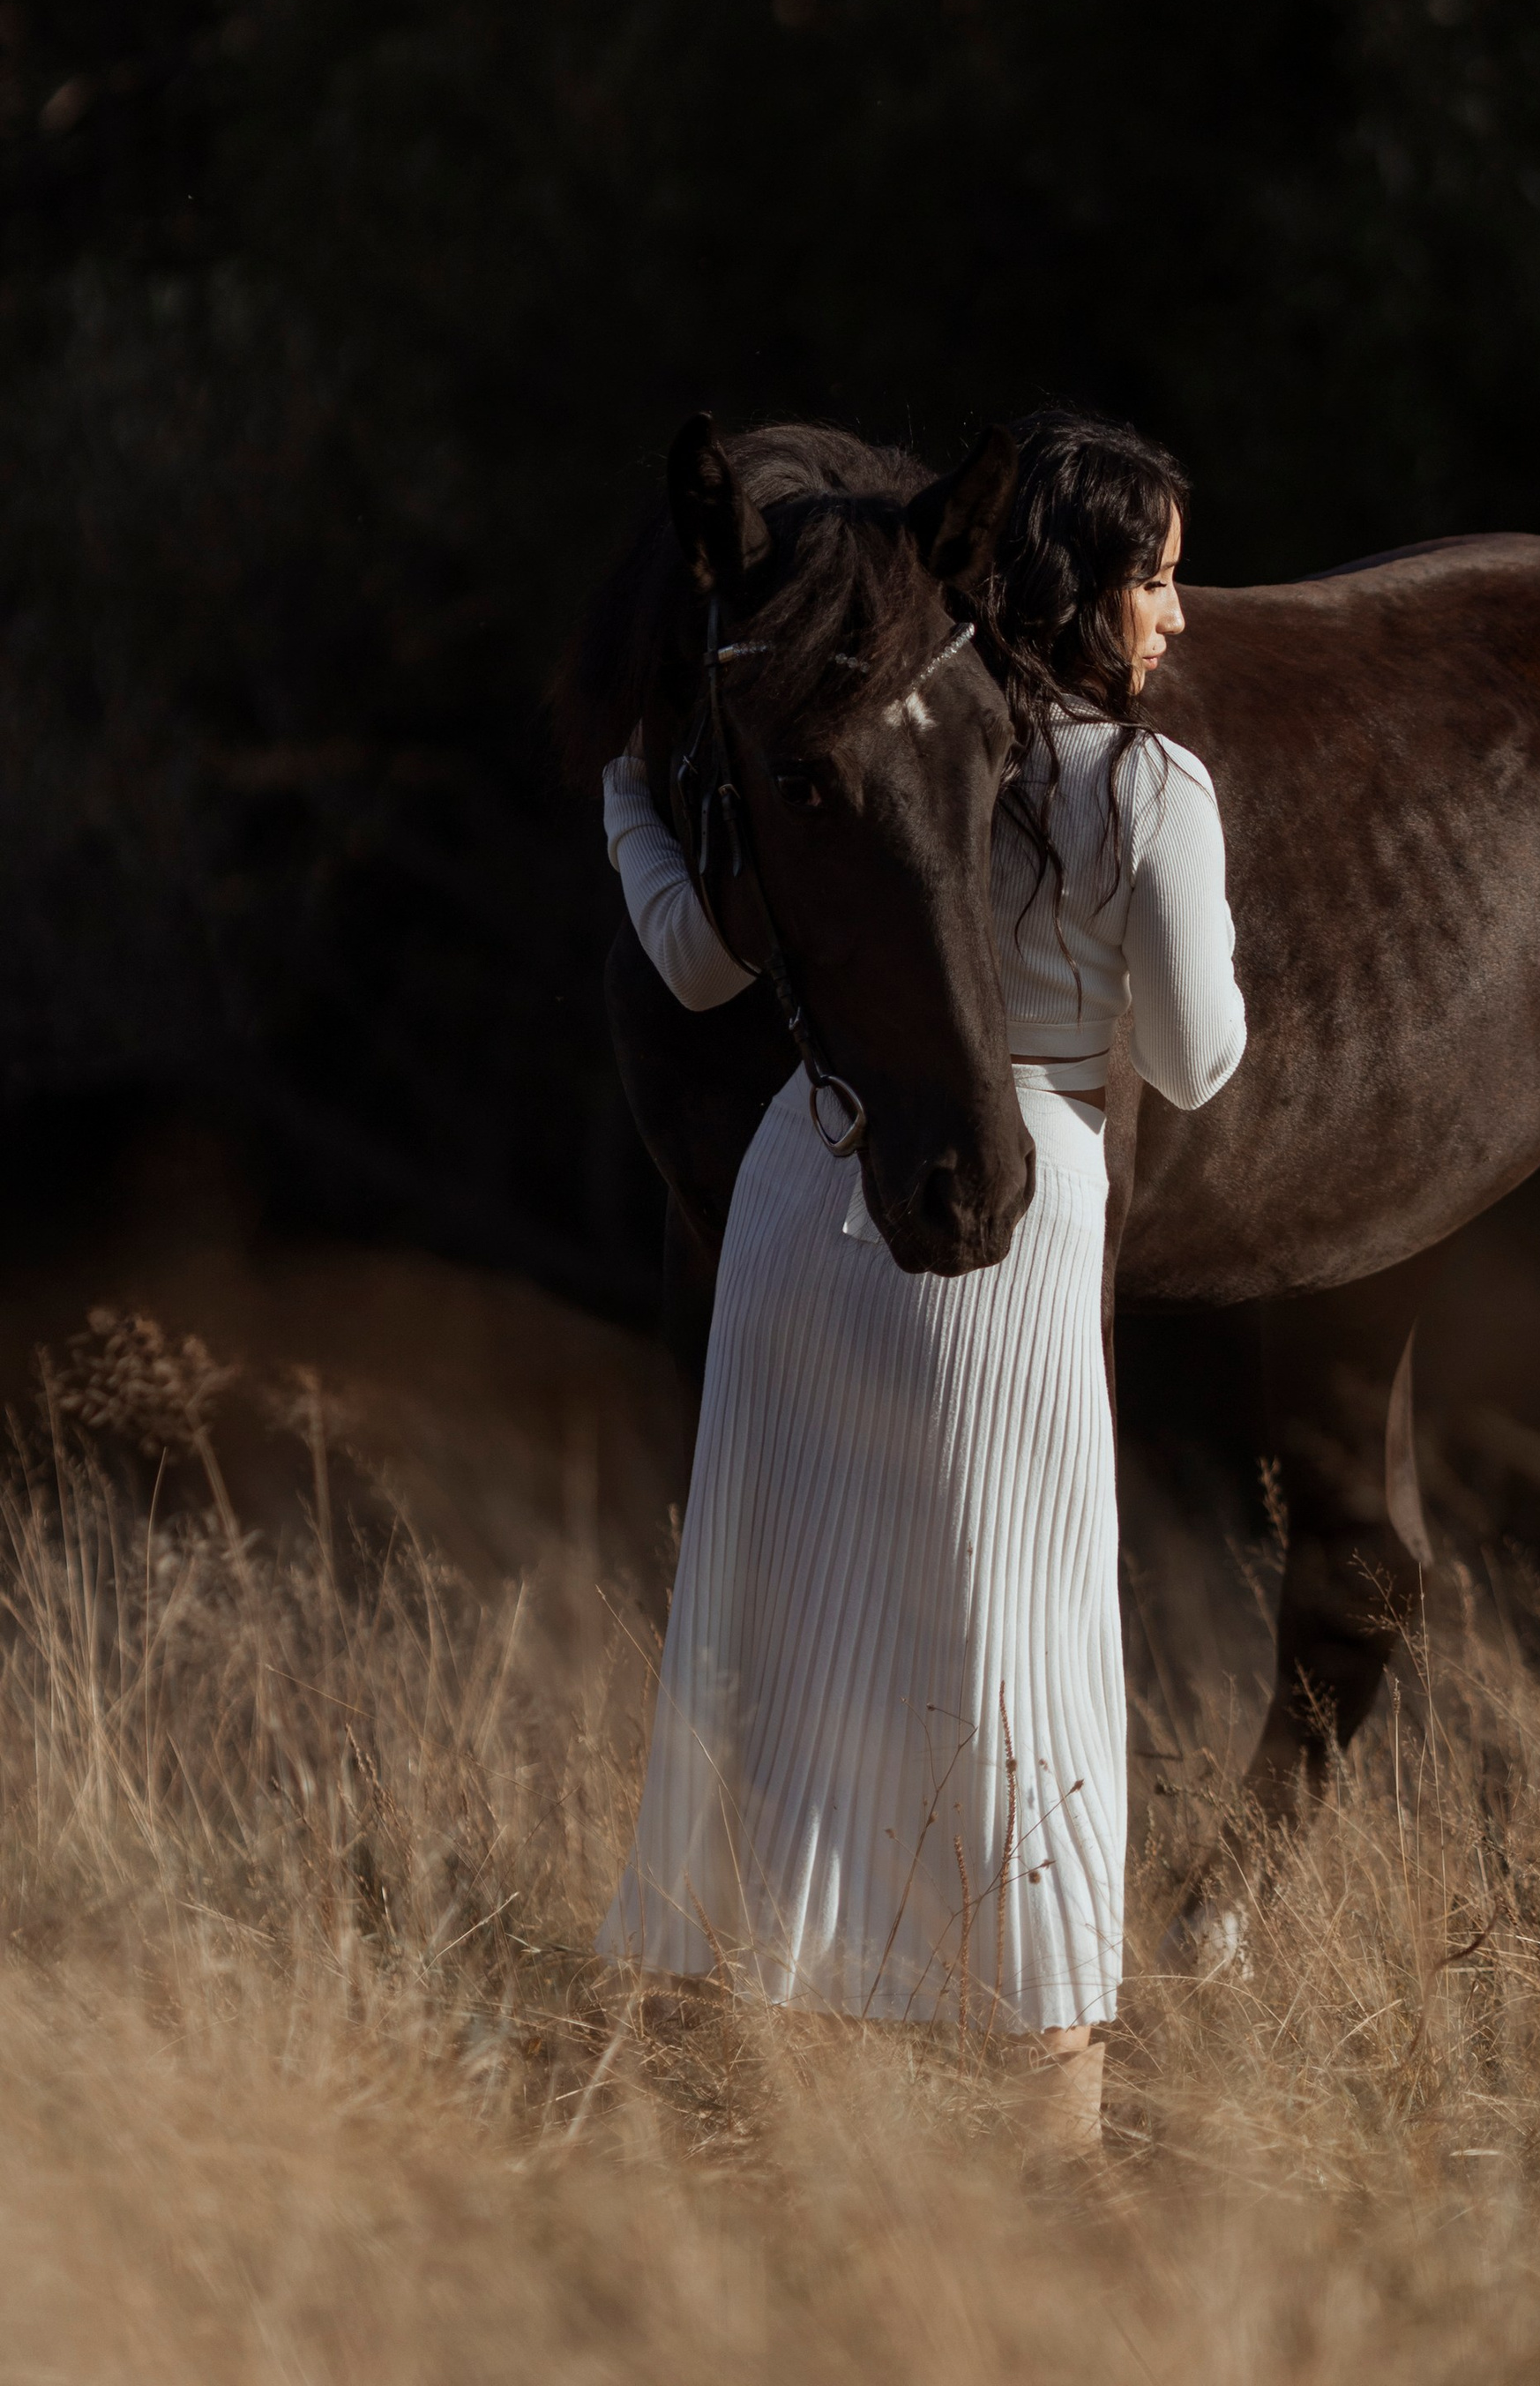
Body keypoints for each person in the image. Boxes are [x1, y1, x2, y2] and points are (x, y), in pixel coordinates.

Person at [594, 411, 1246, 2150]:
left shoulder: (885, 721)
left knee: (772, 1634)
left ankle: (742, 2051)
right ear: (1086, 592)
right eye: (1157, 581)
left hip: (795, 1202)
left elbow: (696, 954)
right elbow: (1193, 1058)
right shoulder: (1135, 786)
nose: (1178, 617)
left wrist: (622, 800)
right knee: (1022, 1648)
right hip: (1001, 1223)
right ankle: (1049, 2102)